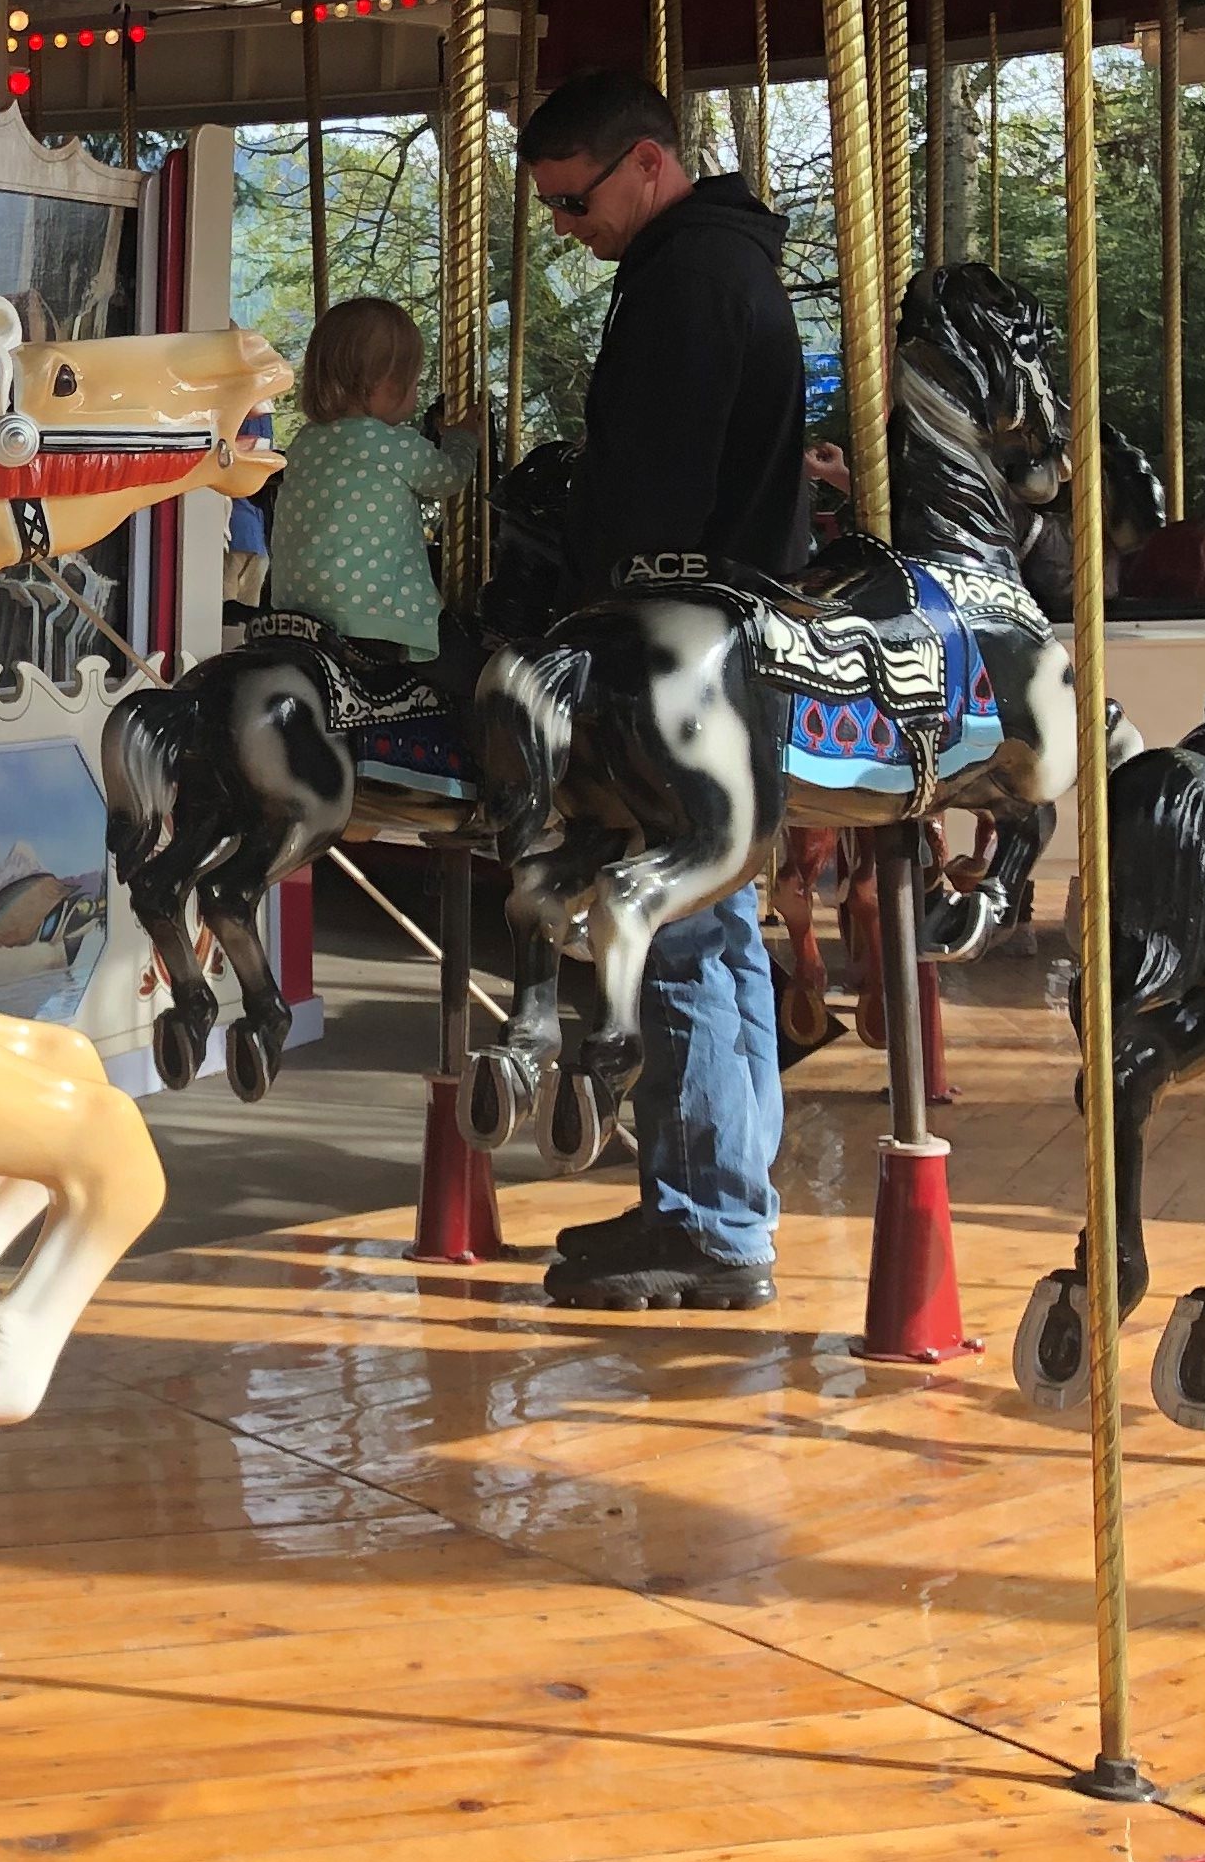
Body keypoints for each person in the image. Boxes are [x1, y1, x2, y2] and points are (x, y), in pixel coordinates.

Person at [514, 65, 808, 1316]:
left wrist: (596, 595)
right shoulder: (716, 262)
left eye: (575, 206)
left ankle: (707, 1222)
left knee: (671, 926)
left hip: (678, 643)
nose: (570, 235)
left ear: (646, 164)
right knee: (717, 930)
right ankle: (714, 1200)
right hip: (725, 632)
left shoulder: (687, 276)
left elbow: (655, 480)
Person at [264, 296, 481, 685]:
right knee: (477, 679)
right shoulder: (390, 443)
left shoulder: (305, 441)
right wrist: (464, 440)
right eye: (413, 383)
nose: (414, 395)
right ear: (385, 385)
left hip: (296, 610)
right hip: (373, 617)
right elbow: (448, 478)